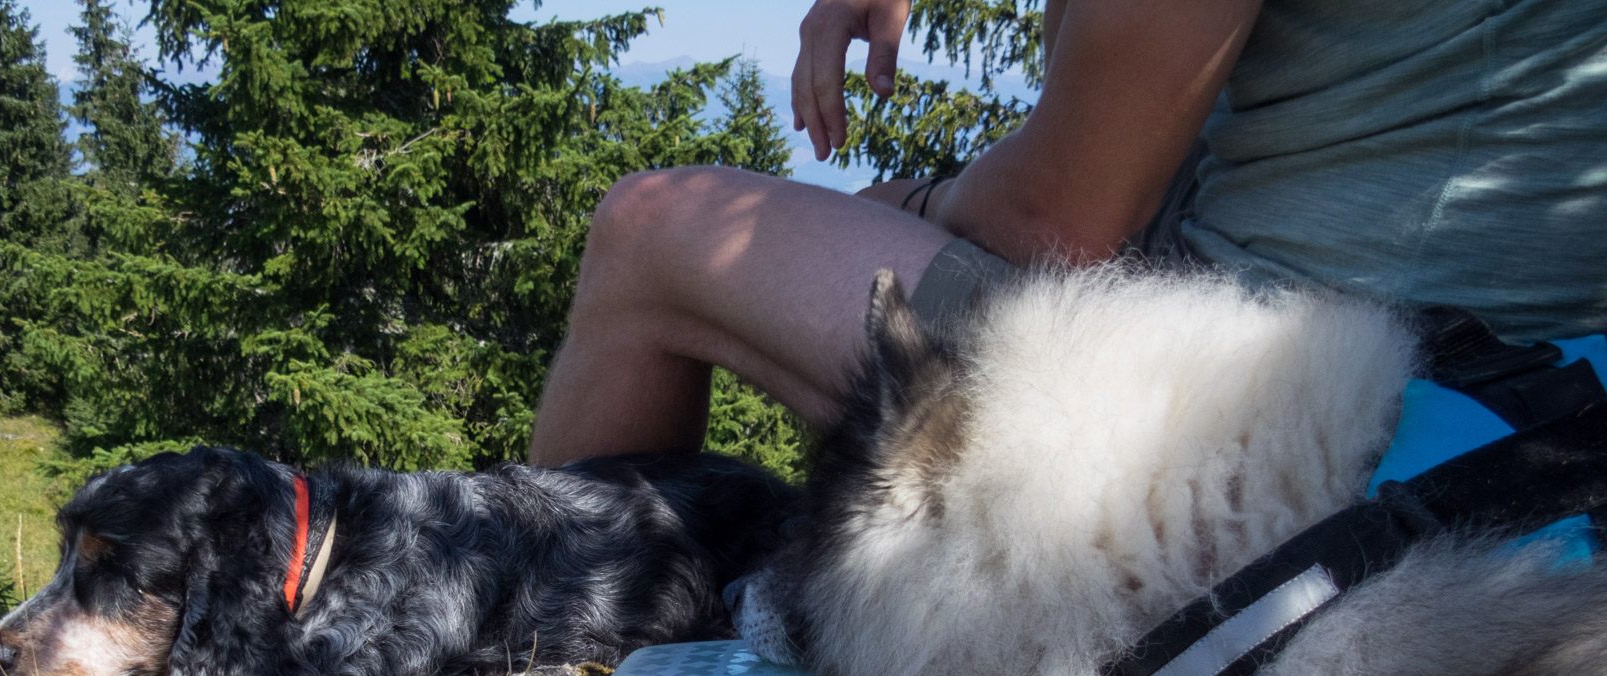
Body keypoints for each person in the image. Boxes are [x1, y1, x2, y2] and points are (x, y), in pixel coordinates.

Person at [528, 0, 1607, 468]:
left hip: (1325, 430)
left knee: (652, 234)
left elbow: (1063, 220)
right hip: (1540, 385)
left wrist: (906, 207)